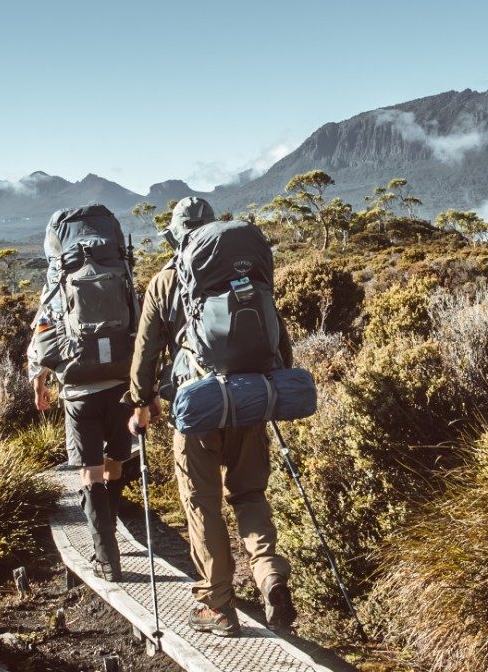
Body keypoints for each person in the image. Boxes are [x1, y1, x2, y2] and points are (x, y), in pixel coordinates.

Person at [127, 197, 296, 637]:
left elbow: (144, 353)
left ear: (176, 234)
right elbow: (279, 338)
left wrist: (141, 402)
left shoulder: (165, 282)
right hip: (249, 401)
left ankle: (215, 605)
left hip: (197, 409)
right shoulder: (244, 270)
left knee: (203, 506)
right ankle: (270, 574)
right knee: (250, 494)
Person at [27, 214, 136, 583]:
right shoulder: (121, 272)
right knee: (116, 462)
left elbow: (42, 335)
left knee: (90, 471)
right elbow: (139, 322)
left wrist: (39, 379)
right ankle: (111, 532)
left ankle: (106, 556)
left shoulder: (58, 279)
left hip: (78, 392)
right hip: (121, 385)